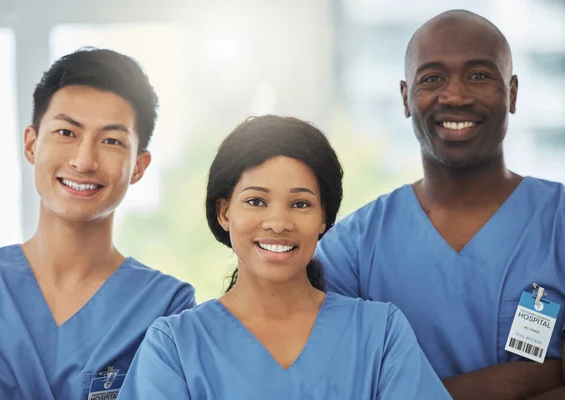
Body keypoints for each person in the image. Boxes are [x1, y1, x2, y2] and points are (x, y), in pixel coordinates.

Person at [314, 9, 565, 399]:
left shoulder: (558, 220)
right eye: (432, 78)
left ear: (512, 92)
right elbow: (337, 385)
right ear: (405, 98)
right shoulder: (353, 249)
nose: (456, 95)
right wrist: (536, 377)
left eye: (479, 75)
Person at [118, 115, 451, 399]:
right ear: (224, 213)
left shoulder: (381, 334)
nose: (278, 223)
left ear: (324, 217)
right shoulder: (175, 346)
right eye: (256, 201)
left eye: (301, 204)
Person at [0, 48, 195, 399]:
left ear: (139, 166)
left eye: (112, 141)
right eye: (66, 132)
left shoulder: (168, 307)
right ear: (31, 144)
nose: (84, 161)